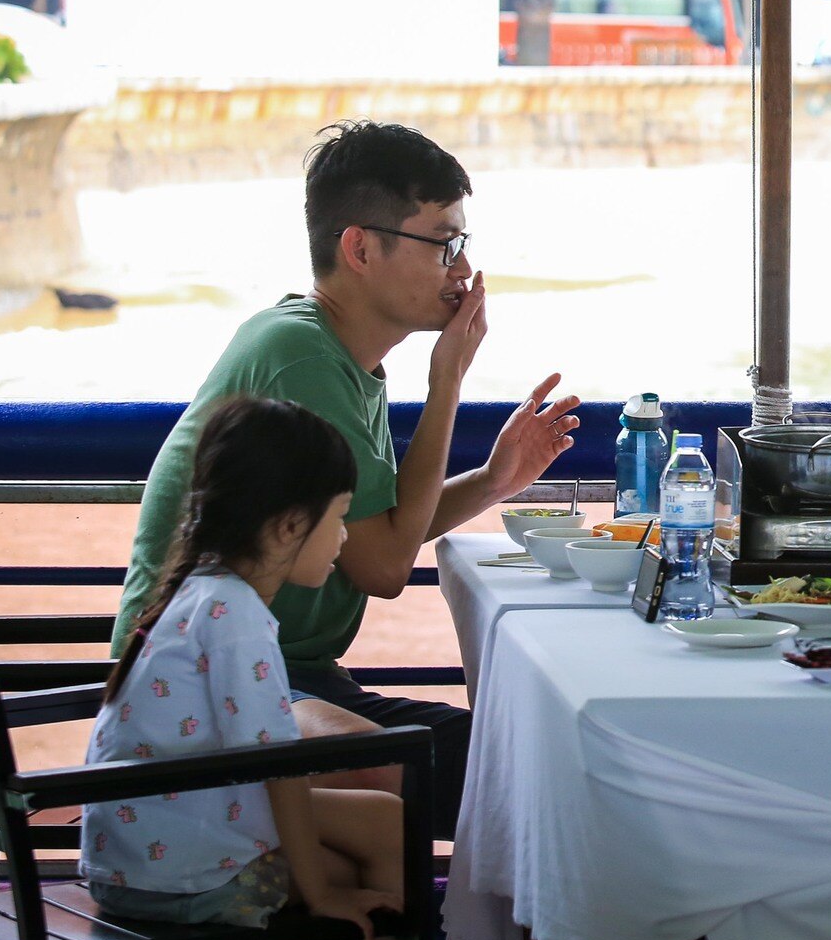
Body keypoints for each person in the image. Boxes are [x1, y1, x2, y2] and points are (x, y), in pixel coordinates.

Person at [113, 120, 580, 843]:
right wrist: (447, 381)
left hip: (287, 676)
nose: (462, 270)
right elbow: (385, 567)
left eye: (464, 246)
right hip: (203, 702)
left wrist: (493, 480)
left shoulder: (339, 359)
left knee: (526, 766)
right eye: (444, 243)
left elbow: (367, 531)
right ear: (360, 247)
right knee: (511, 778)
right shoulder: (299, 358)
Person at [86, 398, 407, 940]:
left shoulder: (199, 587)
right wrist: (318, 892)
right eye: (339, 517)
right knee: (363, 858)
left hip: (144, 846)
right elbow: (275, 766)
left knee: (381, 824)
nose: (343, 537)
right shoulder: (236, 617)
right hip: (175, 872)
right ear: (289, 525)